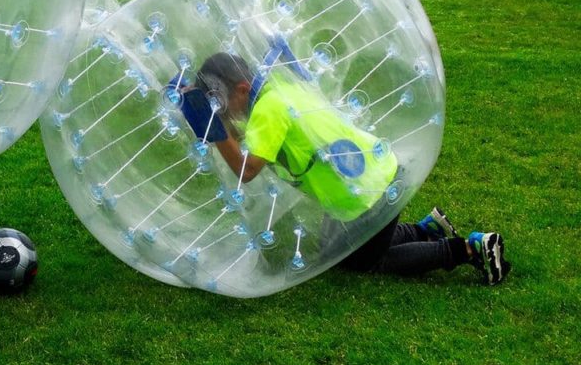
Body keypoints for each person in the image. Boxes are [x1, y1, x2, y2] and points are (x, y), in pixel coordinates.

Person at [180, 50, 510, 285]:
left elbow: (246, 171)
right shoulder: (277, 92)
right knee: (332, 247)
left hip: (365, 194)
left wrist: (215, 130)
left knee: (362, 261)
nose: (224, 112)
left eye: (221, 104)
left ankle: (467, 249)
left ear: (241, 89)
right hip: (378, 174)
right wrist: (215, 122)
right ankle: (426, 230)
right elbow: (257, 139)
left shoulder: (267, 112)